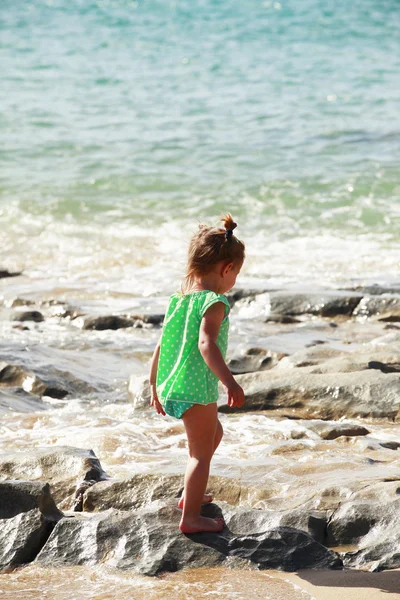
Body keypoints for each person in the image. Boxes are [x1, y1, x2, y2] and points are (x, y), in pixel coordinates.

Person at [149, 214, 246, 534]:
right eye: (236, 275)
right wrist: (230, 381)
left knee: (212, 435)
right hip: (195, 387)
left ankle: (192, 494)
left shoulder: (179, 299)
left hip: (171, 383)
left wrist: (153, 385)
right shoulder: (214, 302)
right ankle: (190, 518)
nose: (234, 282)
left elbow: (161, 345)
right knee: (200, 456)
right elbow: (207, 345)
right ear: (226, 269)